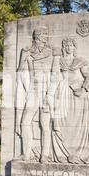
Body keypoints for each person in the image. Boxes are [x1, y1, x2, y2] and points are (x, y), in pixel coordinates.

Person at [15, 27, 61, 163]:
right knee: (24, 122)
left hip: (47, 91)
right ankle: (26, 154)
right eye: (44, 34)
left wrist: (50, 94)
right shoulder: (28, 52)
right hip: (33, 91)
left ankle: (45, 156)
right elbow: (20, 72)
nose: (47, 36)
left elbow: (56, 74)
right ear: (38, 36)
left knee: (44, 125)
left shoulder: (53, 51)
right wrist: (23, 57)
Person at [51, 37, 89, 164]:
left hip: (78, 95)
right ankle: (63, 154)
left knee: (78, 125)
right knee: (64, 125)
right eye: (67, 46)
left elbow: (88, 76)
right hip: (63, 94)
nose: (69, 48)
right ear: (64, 48)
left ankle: (77, 154)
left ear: (74, 48)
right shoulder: (60, 62)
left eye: (71, 46)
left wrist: (83, 89)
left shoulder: (79, 61)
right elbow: (55, 77)